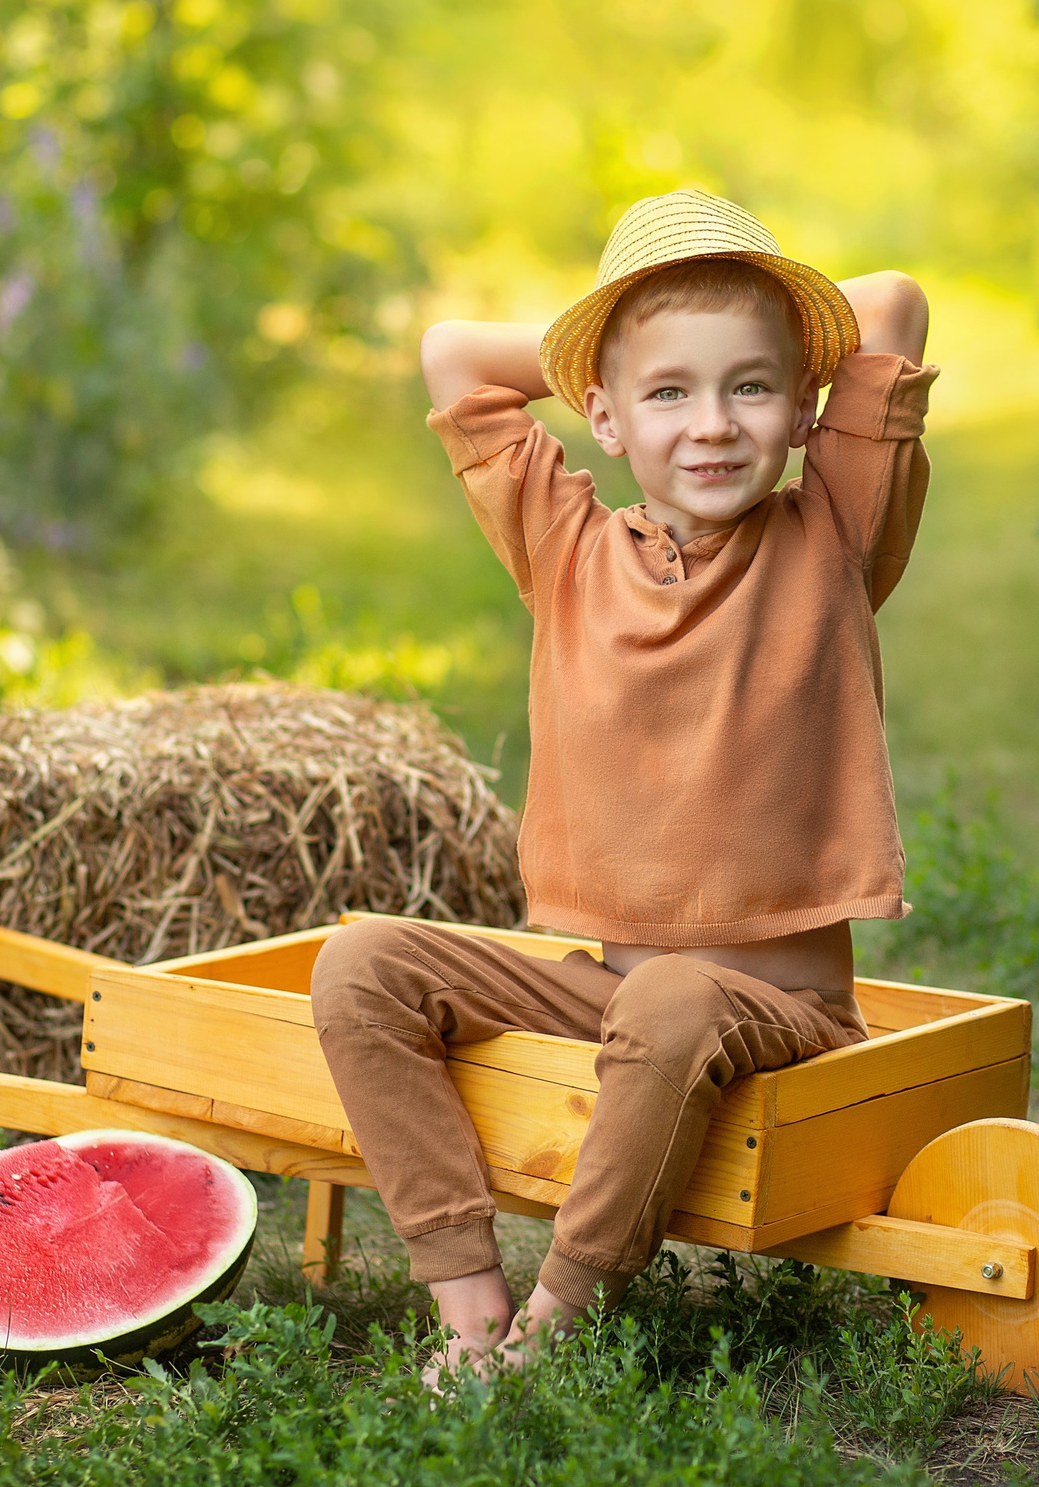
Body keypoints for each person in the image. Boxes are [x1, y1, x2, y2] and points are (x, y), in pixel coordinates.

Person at [309, 187, 935, 1378]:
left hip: (774, 1018)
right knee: (359, 966)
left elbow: (891, 302)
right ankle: (468, 1307)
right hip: (611, 997)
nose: (710, 424)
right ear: (599, 413)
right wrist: (615, 343)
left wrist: (716, 333)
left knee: (670, 1005)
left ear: (806, 404)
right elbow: (451, 355)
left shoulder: (833, 536)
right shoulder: (565, 547)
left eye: (749, 386)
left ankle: (555, 1326)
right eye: (666, 394)